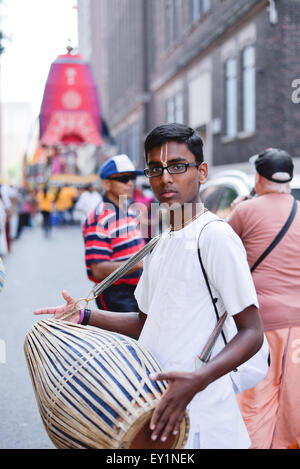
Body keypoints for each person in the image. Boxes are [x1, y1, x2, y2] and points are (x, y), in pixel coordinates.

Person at [34, 124, 264, 449]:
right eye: (155, 168)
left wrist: (197, 380)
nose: (166, 177)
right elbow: (144, 322)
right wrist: (84, 317)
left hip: (206, 415)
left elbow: (252, 332)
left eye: (178, 166)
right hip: (155, 408)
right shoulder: (160, 241)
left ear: (201, 172)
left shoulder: (215, 236)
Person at [227, 148, 300, 449]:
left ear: (258, 177)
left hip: (260, 324)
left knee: (257, 397)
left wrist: (235, 208)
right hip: (298, 325)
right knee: (293, 399)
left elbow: (223, 255)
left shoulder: (245, 211)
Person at [82, 154, 145, 312]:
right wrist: (137, 264)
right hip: (116, 295)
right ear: (107, 184)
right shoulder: (98, 218)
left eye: (132, 178)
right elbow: (97, 271)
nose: (130, 183)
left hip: (138, 290)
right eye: (124, 179)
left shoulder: (130, 210)